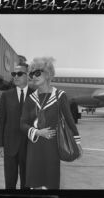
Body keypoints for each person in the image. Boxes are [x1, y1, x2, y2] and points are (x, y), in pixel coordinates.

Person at [20, 57, 82, 189]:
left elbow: (70, 121)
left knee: (51, 184)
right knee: (35, 184)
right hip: (34, 148)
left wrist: (77, 143)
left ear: (48, 74)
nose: (34, 77)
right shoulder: (30, 99)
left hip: (52, 148)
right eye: (31, 74)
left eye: (38, 73)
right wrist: (37, 132)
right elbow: (23, 123)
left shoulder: (60, 96)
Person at [0, 64, 34, 189]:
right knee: (10, 183)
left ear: (28, 76)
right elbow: (1, 121)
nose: (15, 77)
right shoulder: (6, 96)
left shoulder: (36, 95)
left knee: (27, 184)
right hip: (10, 146)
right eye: (13, 74)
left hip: (29, 147)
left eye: (19, 74)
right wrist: (0, 144)